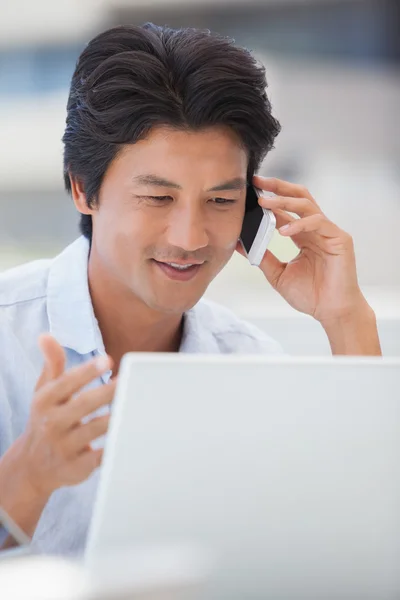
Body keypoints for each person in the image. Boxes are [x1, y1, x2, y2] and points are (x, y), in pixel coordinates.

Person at [0, 23, 381, 556]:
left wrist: (348, 320)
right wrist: (23, 481)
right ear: (82, 189)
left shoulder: (253, 366)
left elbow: (355, 549)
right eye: (158, 198)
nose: (190, 239)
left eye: (221, 202)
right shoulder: (6, 339)